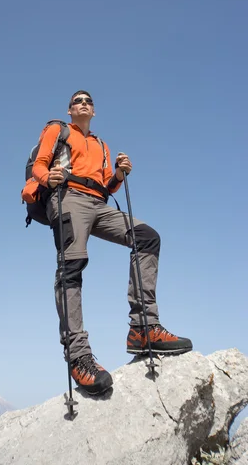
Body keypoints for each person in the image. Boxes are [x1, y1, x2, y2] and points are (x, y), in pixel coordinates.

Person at [32, 90, 192, 395]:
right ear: (69, 110)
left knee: (147, 237)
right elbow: (40, 164)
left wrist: (119, 173)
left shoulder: (102, 145)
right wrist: (46, 178)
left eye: (88, 101)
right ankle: (79, 356)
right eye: (77, 101)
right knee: (72, 265)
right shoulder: (58, 130)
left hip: (98, 205)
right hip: (67, 198)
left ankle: (143, 328)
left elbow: (107, 186)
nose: (83, 104)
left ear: (94, 111)